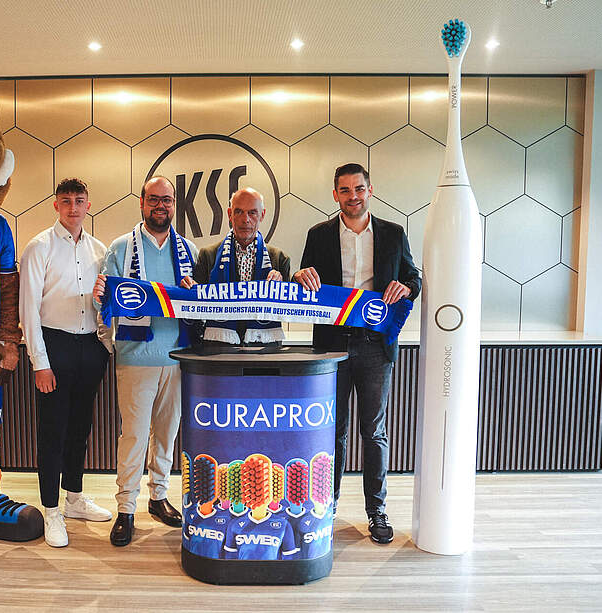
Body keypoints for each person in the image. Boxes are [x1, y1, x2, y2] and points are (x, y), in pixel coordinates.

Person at [293, 163, 420, 544]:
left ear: (370, 190)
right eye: (345, 190)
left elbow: (414, 277)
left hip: (375, 345)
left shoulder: (393, 233)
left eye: (359, 189)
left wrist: (407, 288)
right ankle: (326, 506)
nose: (353, 196)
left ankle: (376, 510)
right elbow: (303, 277)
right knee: (332, 431)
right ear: (335, 195)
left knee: (374, 432)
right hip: (331, 346)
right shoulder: (318, 234)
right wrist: (300, 276)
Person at [93, 176, 199, 546]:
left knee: (167, 433)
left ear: (174, 204)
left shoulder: (189, 251)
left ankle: (158, 496)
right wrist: (100, 295)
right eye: (153, 199)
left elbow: (202, 304)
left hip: (177, 356)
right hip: (136, 357)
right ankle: (125, 507)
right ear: (142, 202)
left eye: (166, 200)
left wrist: (195, 293)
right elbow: (105, 300)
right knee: (135, 435)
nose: (160, 206)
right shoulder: (121, 248)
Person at [19, 178, 112, 548]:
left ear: (88, 204)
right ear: (56, 205)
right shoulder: (38, 247)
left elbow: (105, 303)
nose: (73, 207)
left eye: (79, 200)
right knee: (52, 431)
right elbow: (28, 310)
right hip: (53, 345)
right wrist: (39, 363)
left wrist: (105, 345)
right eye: (66, 201)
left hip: (90, 347)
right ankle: (52, 510)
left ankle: (74, 498)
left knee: (80, 428)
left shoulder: (99, 250)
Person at [186, 188, 291, 346]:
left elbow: (288, 309)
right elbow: (195, 306)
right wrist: (188, 289)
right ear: (230, 214)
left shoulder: (279, 258)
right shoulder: (208, 256)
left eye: (252, 213)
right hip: (218, 350)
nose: (245, 219)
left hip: (265, 350)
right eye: (239, 212)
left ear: (262, 215)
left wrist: (282, 286)